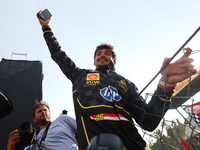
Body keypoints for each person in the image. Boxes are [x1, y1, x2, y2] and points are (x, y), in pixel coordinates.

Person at [36, 10, 196, 150]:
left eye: (107, 53)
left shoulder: (126, 84)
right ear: (94, 60)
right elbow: (58, 54)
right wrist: (46, 28)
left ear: (114, 60)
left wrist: (166, 85)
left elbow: (148, 121)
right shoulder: (80, 76)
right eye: (98, 53)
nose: (102, 55)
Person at [7, 102, 78, 150]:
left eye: (45, 110)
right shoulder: (33, 141)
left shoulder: (62, 119)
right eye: (39, 111)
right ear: (34, 119)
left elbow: (84, 129)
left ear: (50, 114)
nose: (43, 112)